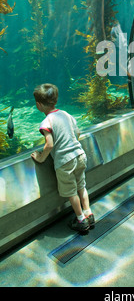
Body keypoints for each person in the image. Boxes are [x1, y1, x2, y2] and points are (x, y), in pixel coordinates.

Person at [31, 83, 94, 234]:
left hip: (65, 162)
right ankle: (88, 213)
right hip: (79, 155)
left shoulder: (47, 122)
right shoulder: (66, 115)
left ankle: (80, 220)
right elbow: (77, 132)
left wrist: (40, 158)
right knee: (81, 186)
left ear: (39, 105)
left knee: (71, 192)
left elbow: (49, 145)